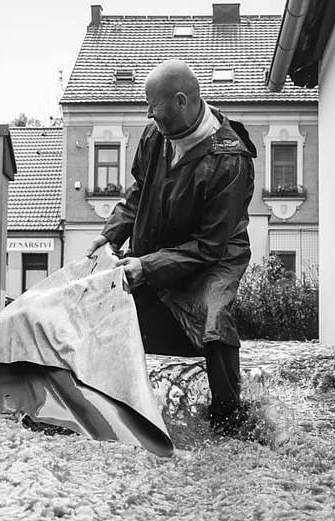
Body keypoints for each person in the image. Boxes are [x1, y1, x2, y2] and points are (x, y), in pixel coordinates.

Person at [86, 59, 256, 433]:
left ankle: (231, 418)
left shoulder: (230, 160)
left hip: (216, 255)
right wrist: (111, 232)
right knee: (109, 304)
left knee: (214, 321)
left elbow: (210, 246)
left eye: (156, 110)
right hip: (162, 243)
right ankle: (98, 401)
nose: (150, 116)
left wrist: (146, 267)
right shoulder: (154, 136)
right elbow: (137, 193)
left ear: (182, 102)